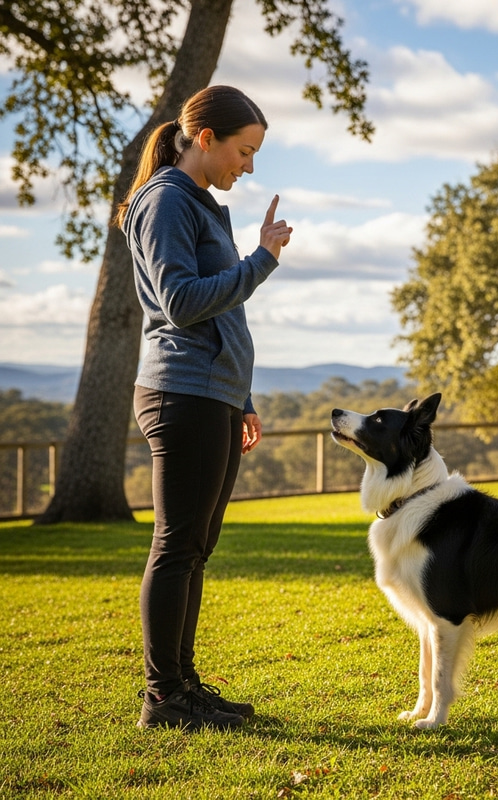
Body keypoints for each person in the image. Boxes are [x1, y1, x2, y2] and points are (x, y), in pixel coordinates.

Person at [115, 85, 292, 731]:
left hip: (211, 392)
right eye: (244, 151)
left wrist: (240, 397)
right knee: (176, 545)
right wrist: (263, 259)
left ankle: (185, 687)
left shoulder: (202, 206)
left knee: (195, 547)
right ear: (207, 138)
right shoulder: (164, 199)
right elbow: (183, 302)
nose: (248, 167)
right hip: (179, 390)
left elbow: (224, 311)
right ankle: (162, 699)